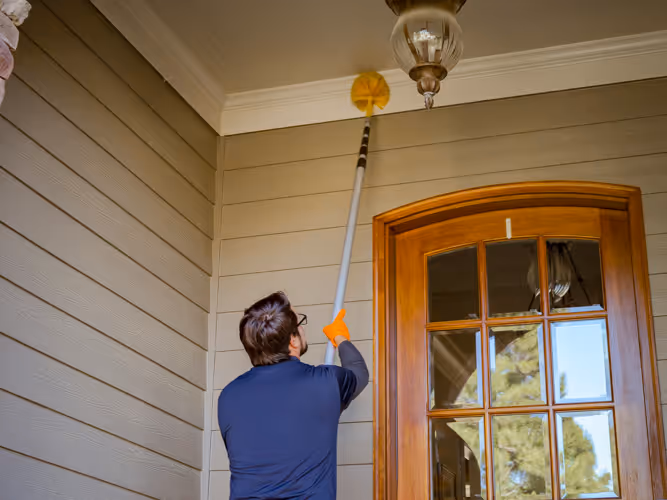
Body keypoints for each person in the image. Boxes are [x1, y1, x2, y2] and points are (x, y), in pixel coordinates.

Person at [217, 291, 369, 500]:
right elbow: (359, 371)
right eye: (300, 324)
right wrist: (340, 338)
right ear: (293, 341)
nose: (303, 328)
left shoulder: (228, 397)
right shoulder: (325, 383)